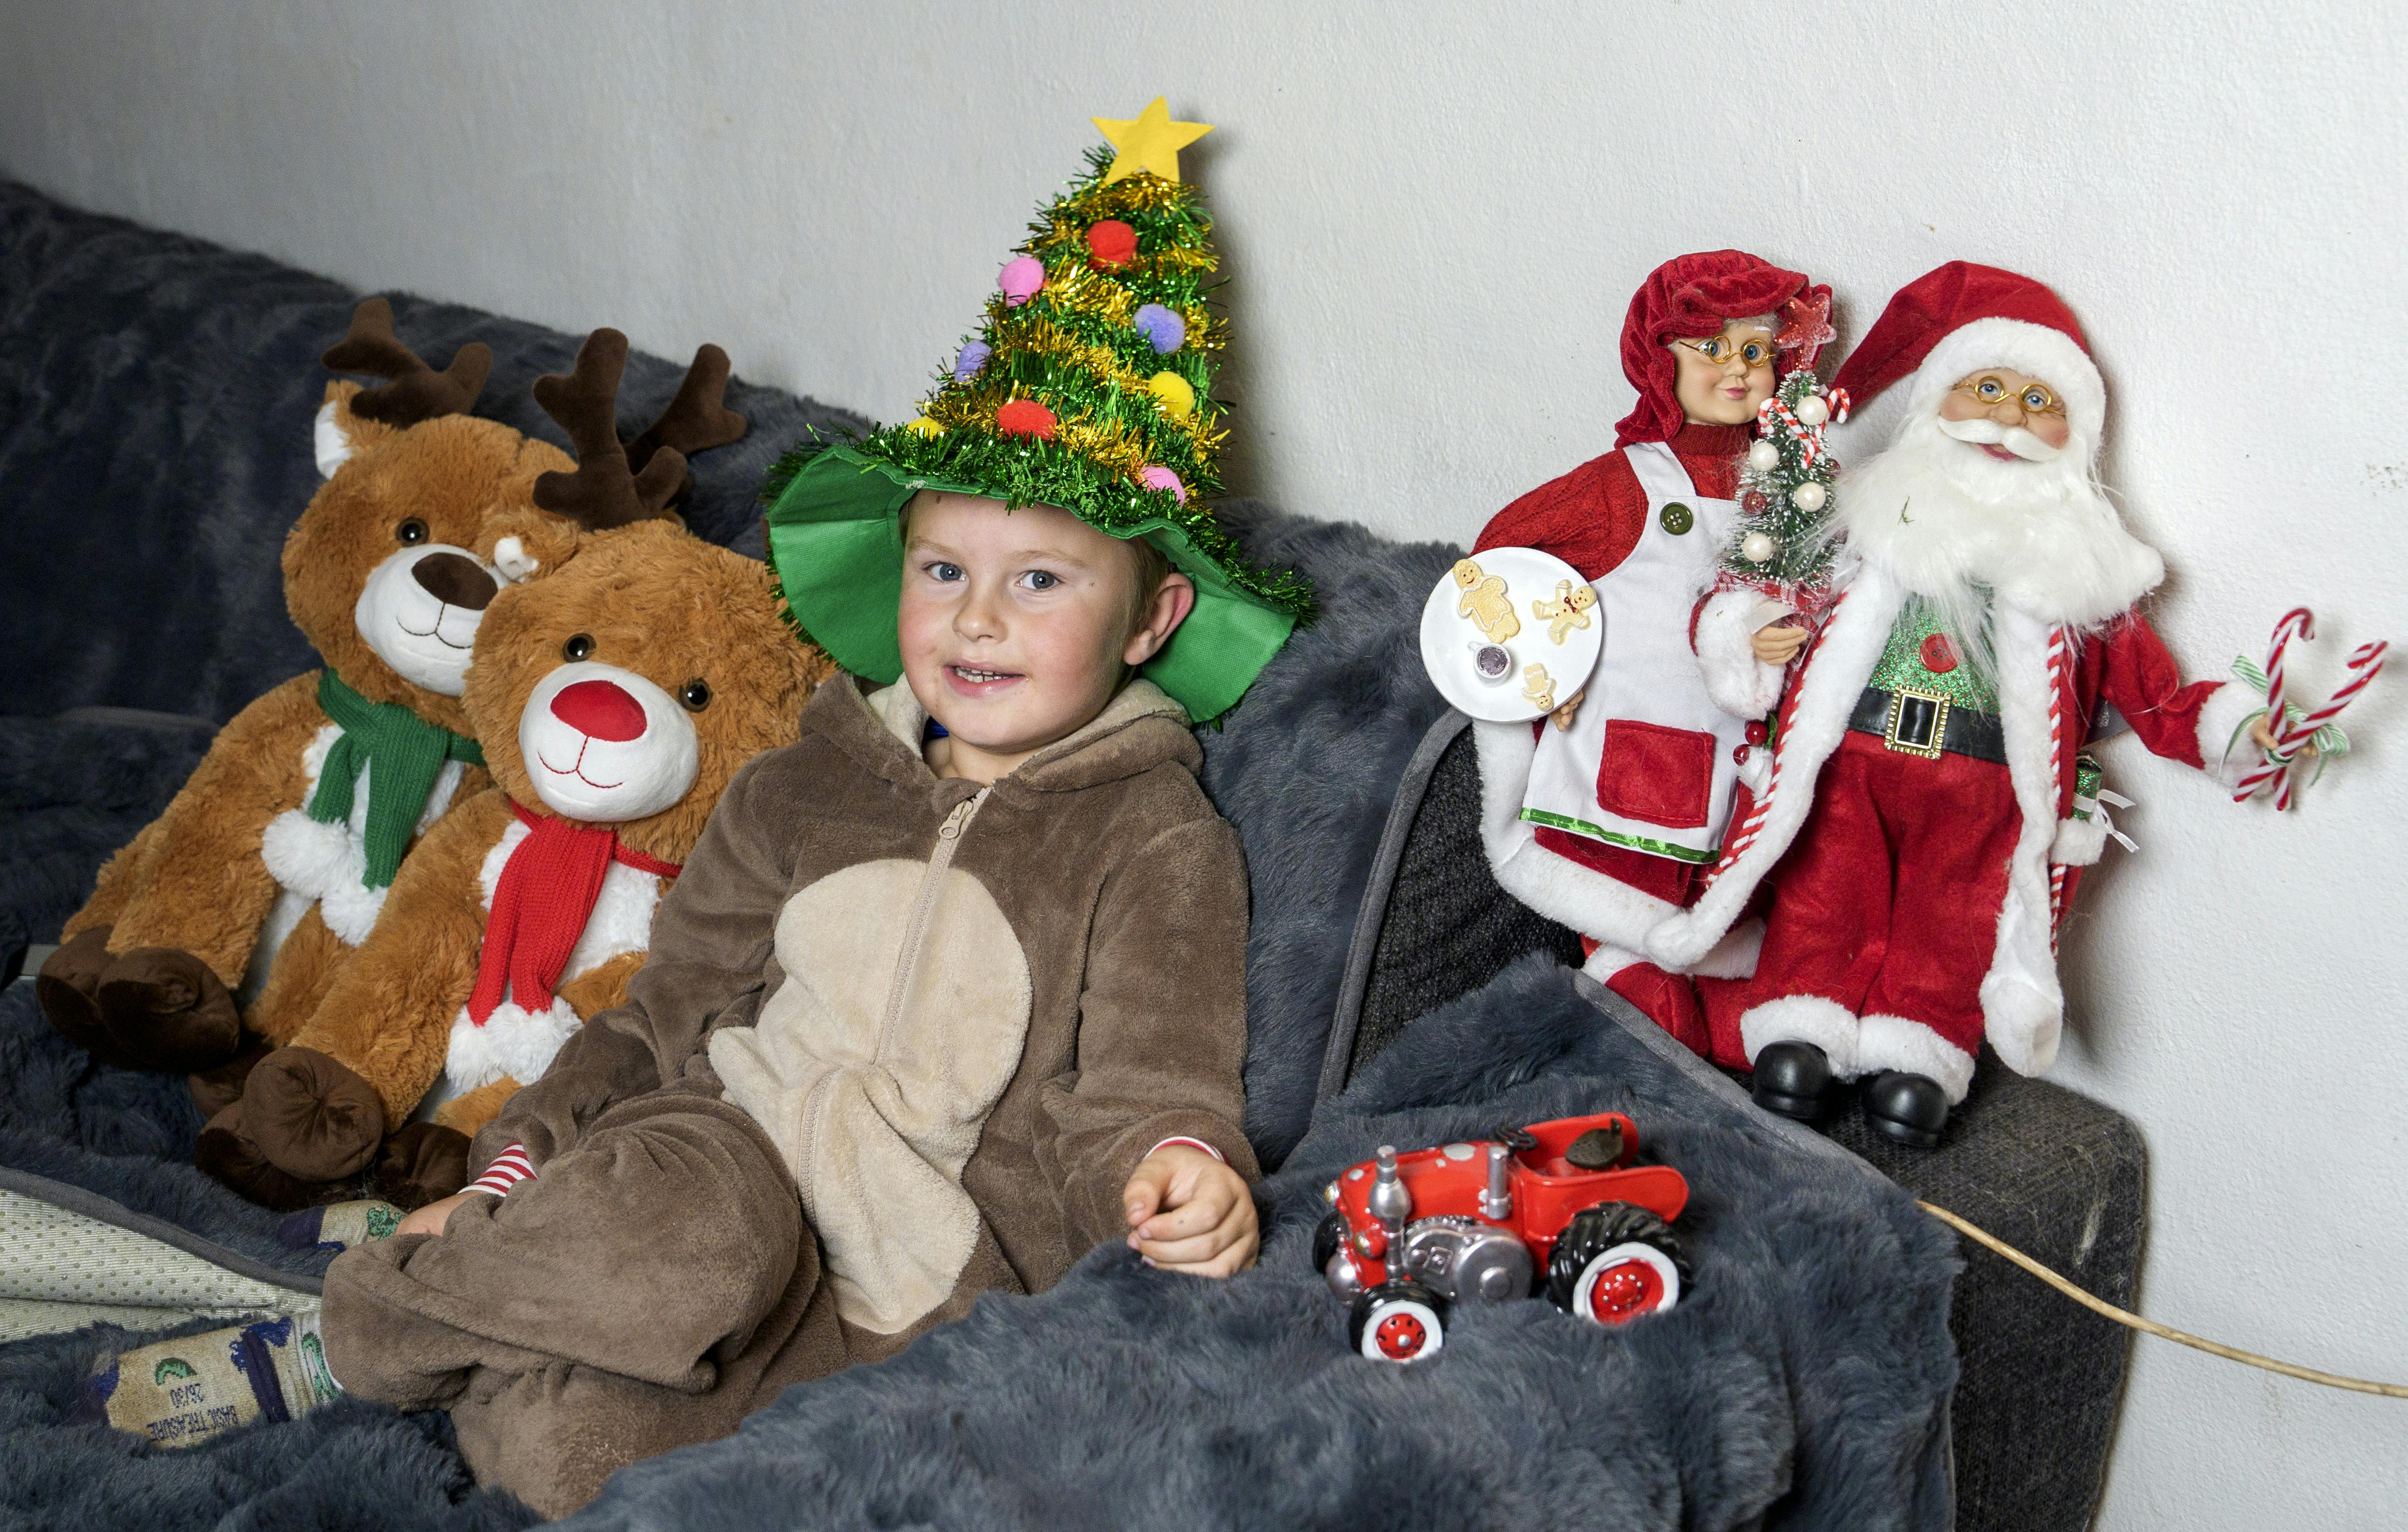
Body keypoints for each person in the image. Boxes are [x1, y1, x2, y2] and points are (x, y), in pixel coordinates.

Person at [82, 106, 1314, 1516]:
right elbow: (668, 1014)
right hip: (707, 1166)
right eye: (945, 570)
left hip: (908, 1282)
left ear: (1152, 616)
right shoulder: (809, 778)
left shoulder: (1156, 842)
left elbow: (1152, 1088)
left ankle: (497, 1284)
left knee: (568, 1457)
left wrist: (1178, 1172)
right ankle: (359, 1325)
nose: (978, 617)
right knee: (688, 1241)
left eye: (1042, 580)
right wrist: (532, 1151)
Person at [1646, 262, 2269, 1145]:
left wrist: (2239, 728)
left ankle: (1921, 1052)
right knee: (1825, 894)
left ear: (2076, 435)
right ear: (1937, 402)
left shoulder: (2084, 572)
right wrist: (1745, 632)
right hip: (1850, 768)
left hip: (1981, 791)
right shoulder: (1862, 521)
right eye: (1986, 388)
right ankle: (1797, 1030)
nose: (2009, 417)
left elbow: (2158, 697)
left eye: (2038, 401)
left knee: (1954, 922)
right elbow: (1757, 583)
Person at [1469, 251, 1828, 1060]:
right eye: (1711, 348)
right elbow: (1494, 566)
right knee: (1643, 954)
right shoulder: (1625, 486)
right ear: (1660, 360)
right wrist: (1540, 673)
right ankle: (1640, 1009)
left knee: (1739, 940)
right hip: (1630, 761)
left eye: (1755, 350)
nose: (1735, 370)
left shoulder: (1796, 489)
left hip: (1744, 774)